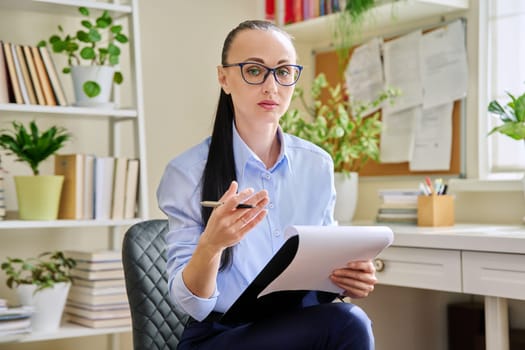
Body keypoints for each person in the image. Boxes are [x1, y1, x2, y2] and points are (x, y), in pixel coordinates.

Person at [157, 19, 377, 350]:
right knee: (349, 323)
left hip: (297, 323)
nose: (271, 86)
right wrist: (211, 245)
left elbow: (322, 261)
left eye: (284, 72)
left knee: (347, 318)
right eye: (255, 71)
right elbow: (195, 305)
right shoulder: (188, 172)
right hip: (221, 336)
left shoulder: (317, 164)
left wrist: (347, 277)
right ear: (224, 78)